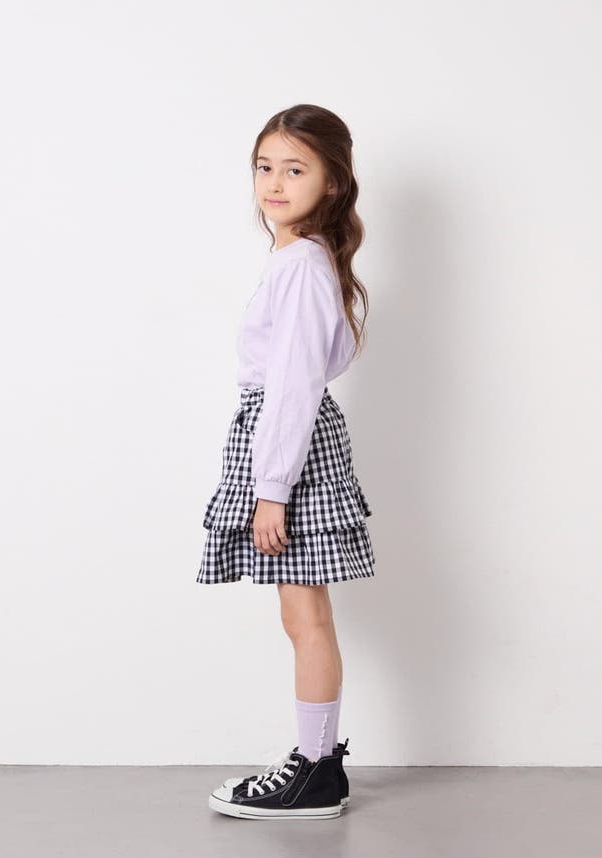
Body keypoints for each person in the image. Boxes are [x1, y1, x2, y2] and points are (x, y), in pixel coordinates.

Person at [197, 105, 375, 820]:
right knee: (303, 614)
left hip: (287, 446)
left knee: (305, 616)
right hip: (285, 439)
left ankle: (316, 771)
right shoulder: (301, 258)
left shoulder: (300, 265)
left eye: (295, 169)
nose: (274, 183)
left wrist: (272, 488)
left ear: (332, 182)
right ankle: (317, 764)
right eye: (264, 167)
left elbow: (294, 384)